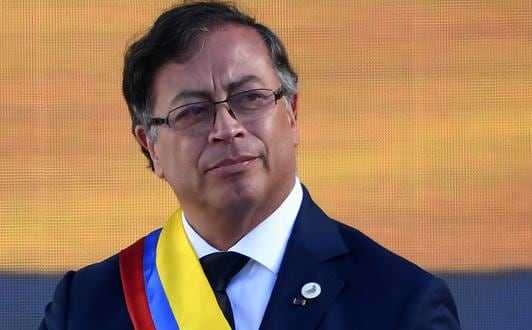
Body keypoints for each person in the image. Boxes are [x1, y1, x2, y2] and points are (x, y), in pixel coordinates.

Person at [40, 2, 461, 329]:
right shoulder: (87, 307)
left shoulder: (398, 302)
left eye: (251, 98)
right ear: (151, 146)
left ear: (292, 113)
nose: (227, 128)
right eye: (192, 112)